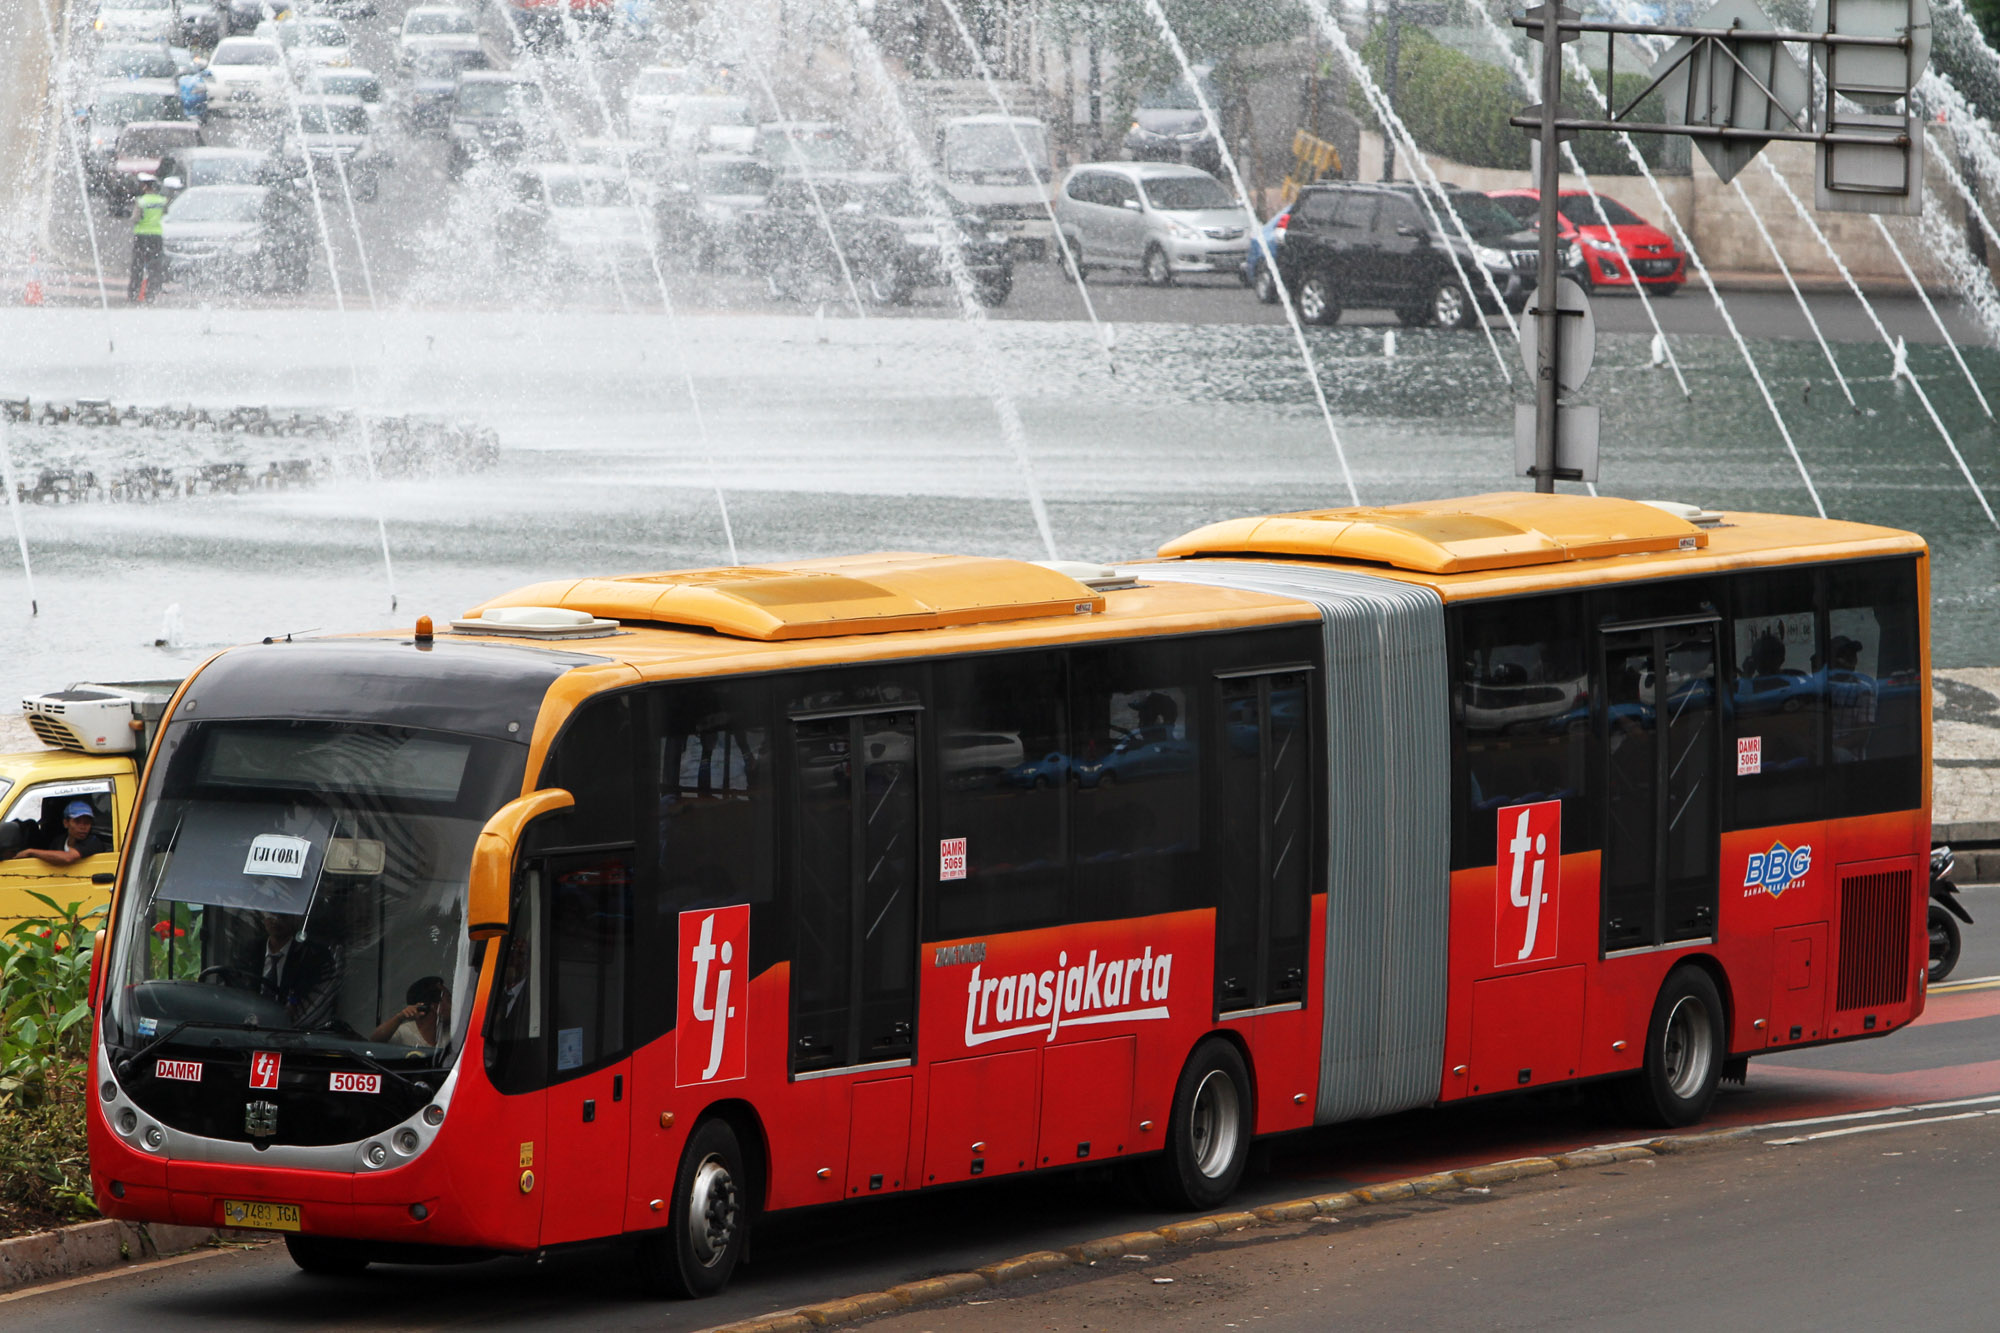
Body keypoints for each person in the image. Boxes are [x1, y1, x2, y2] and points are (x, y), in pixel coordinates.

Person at [249, 910, 340, 1029]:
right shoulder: (252, 950)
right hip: (250, 1026)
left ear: (295, 918)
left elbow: (309, 994)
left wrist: (293, 1002)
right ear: (263, 917)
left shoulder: (312, 955)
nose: (276, 920)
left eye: (283, 915)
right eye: (271, 914)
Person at [11, 799, 111, 866]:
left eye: (87, 823)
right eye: (77, 822)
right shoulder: (59, 841)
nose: (83, 827)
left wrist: (31, 852)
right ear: (66, 823)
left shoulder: (93, 842)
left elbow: (68, 857)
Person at [371, 976, 450, 1046]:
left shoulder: (453, 1034)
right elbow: (374, 1042)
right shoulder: (404, 1032)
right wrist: (399, 1017)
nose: (453, 1005)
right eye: (449, 1000)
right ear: (435, 1006)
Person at [128, 173, 168, 303]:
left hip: (141, 235)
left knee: (137, 266)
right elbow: (165, 213)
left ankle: (134, 294)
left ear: (144, 186)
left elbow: (135, 218)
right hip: (156, 236)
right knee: (155, 267)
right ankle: (151, 293)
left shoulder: (141, 201)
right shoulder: (161, 201)